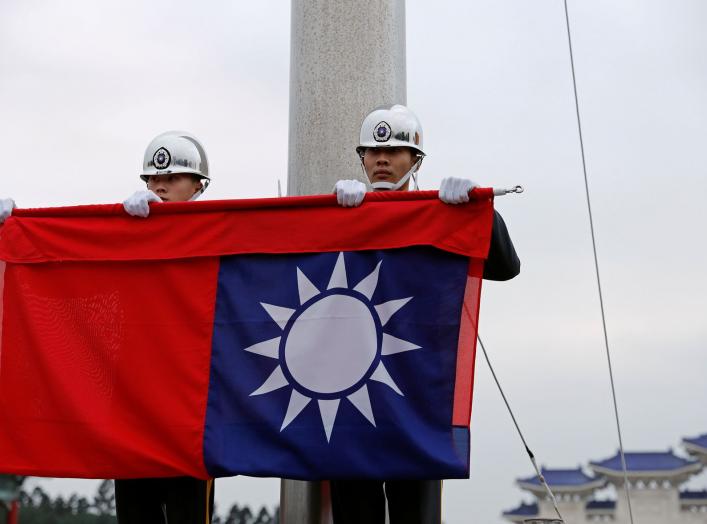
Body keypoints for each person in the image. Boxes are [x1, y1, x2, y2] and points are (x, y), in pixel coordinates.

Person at [331, 104, 520, 524]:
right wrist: (327, 215)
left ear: (416, 160)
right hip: (349, 394)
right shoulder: (341, 215)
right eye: (373, 151)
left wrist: (478, 214)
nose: (382, 159)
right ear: (361, 158)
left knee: (414, 514)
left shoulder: (439, 215)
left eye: (395, 150)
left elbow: (507, 267)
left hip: (415, 394)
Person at [118, 130, 215, 524]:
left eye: (172, 178)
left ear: (198, 185)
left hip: (190, 417)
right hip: (132, 413)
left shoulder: (218, 233)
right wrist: (17, 227)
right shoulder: (122, 234)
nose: (159, 185)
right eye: (153, 179)